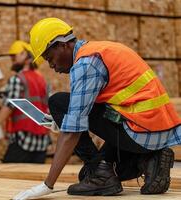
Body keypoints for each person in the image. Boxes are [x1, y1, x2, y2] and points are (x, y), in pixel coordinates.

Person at [13, 18, 181, 199]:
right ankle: (148, 160)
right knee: (88, 175)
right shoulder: (100, 50)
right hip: (155, 129)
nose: (51, 66)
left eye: (49, 58)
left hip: (139, 130)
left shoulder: (86, 64)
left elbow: (73, 130)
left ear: (62, 45)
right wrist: (61, 120)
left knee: (58, 102)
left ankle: (104, 172)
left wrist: (48, 185)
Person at [0, 40, 51, 163]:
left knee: (8, 175)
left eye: (14, 56)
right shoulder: (42, 80)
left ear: (27, 56)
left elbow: (9, 106)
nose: (12, 59)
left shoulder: (17, 79)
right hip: (42, 140)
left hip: (23, 139)